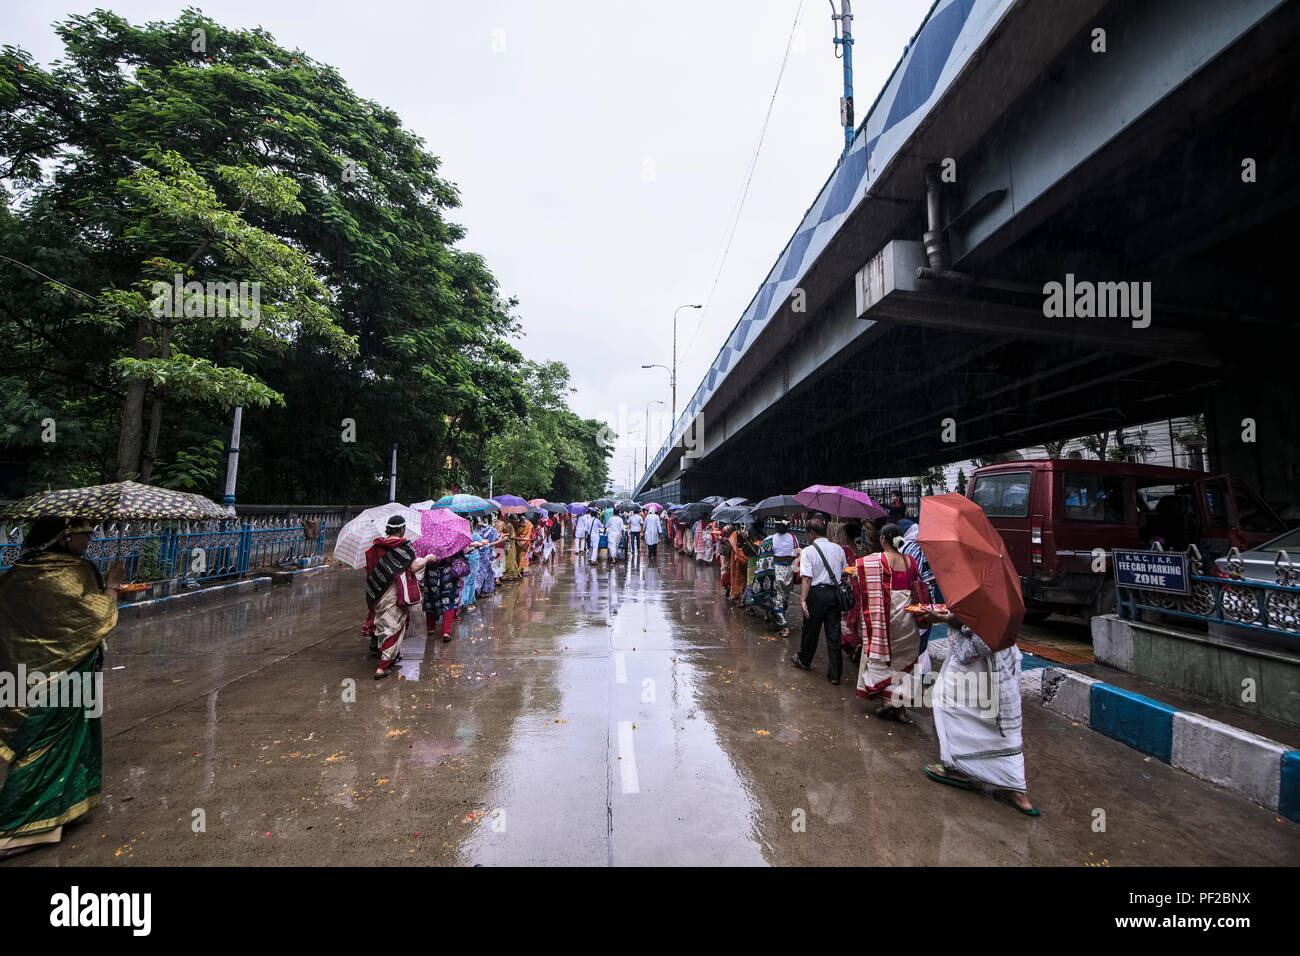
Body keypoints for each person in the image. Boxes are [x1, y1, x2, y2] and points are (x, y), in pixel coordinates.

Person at [0, 517, 123, 857]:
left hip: (25, 674)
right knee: (44, 744)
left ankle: (62, 809)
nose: (88, 541)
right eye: (85, 534)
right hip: (58, 676)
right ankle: (15, 828)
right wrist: (112, 586)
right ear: (65, 537)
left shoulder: (20, 572)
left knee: (72, 740)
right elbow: (92, 618)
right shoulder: (68, 575)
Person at [921, 608, 1038, 816]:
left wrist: (947, 623)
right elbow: (973, 621)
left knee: (946, 702)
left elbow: (968, 652)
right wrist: (949, 618)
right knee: (1002, 731)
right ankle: (1017, 789)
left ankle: (958, 768)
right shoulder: (998, 602)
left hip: (981, 671)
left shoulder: (987, 613)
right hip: (1002, 671)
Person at [853, 523, 927, 720]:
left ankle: (887, 701)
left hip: (886, 617)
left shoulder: (876, 560)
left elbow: (857, 569)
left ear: (883, 539)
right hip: (908, 618)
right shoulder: (910, 560)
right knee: (904, 661)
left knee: (882, 659)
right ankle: (899, 705)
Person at [790, 516, 848, 685]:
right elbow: (844, 571)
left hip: (816, 594)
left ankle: (805, 660)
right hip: (834, 594)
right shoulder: (838, 549)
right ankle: (835, 674)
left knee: (810, 629)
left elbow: (807, 578)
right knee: (834, 633)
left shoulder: (808, 551)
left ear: (812, 534)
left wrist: (802, 600)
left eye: (808, 533)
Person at [365, 515, 423, 679]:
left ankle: (394, 656)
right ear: (403, 529)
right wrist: (427, 559)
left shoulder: (376, 547)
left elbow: (370, 569)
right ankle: (382, 668)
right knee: (393, 627)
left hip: (378, 594)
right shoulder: (404, 547)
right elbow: (414, 566)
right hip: (394, 593)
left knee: (384, 626)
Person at [767, 519, 799, 636]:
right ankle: (780, 618)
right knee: (784, 597)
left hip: (777, 569)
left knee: (777, 599)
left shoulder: (771, 538)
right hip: (789, 571)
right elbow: (797, 554)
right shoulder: (793, 538)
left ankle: (784, 626)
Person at [423, 554, 460, 646]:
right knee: (449, 601)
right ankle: (445, 632)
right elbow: (461, 557)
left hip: (431, 575)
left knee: (430, 599)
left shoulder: (427, 544)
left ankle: (431, 628)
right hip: (448, 575)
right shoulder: (451, 543)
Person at [475, 518, 498, 597]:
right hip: (489, 555)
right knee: (489, 572)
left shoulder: (473, 532)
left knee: (478, 573)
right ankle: (485, 591)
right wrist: (501, 540)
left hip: (476, 555)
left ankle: (477, 591)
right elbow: (492, 543)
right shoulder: (493, 530)